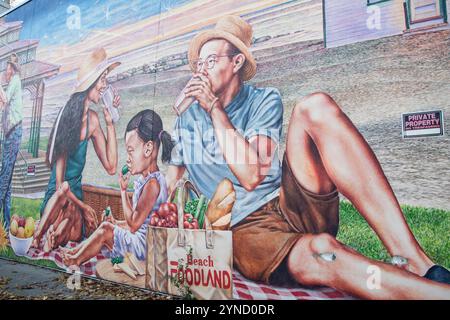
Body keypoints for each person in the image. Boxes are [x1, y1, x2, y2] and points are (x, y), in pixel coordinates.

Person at [166, 15, 450, 299]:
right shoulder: (187, 120)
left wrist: (215, 110)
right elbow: (171, 186)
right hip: (246, 231)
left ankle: (412, 258)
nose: (201, 72)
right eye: (199, 65)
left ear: (237, 62)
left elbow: (252, 174)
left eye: (211, 61)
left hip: (287, 205)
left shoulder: (263, 100)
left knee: (315, 107)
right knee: (324, 252)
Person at [32, 48, 121, 252]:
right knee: (66, 195)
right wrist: (84, 207)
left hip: (74, 204)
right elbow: (59, 185)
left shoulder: (93, 121)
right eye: (102, 79)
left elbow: (111, 166)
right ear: (90, 82)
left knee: (71, 216)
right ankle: (40, 234)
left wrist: (110, 122)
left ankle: (51, 238)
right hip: (55, 202)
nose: (104, 85)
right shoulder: (67, 120)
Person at [61, 109, 172, 266]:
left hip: (144, 248)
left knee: (106, 230)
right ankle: (76, 251)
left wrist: (123, 190)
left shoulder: (152, 185)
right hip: (141, 240)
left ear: (148, 149)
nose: (128, 158)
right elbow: (137, 223)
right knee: (107, 226)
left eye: (131, 151)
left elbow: (133, 224)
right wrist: (117, 223)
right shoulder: (148, 180)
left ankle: (75, 259)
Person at [0, 53, 23, 230]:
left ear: (12, 69)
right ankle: (6, 225)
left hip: (13, 134)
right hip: (11, 134)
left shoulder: (15, 80)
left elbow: (4, 99)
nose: (5, 71)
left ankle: (5, 224)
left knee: (3, 180)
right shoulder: (14, 84)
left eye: (7, 68)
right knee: (6, 182)